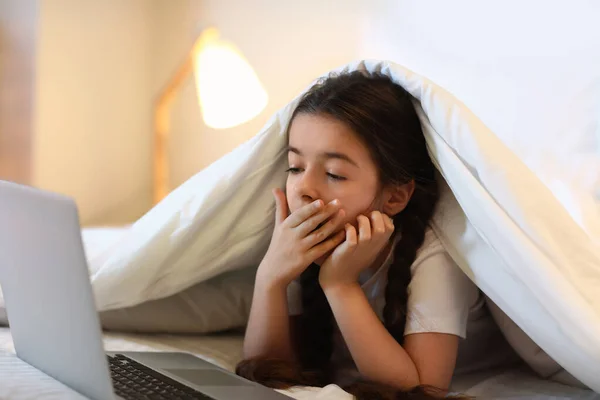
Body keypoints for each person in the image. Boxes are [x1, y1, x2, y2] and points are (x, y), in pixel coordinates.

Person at [235, 71, 506, 399]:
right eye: (295, 167)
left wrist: (340, 285)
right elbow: (265, 370)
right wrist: (270, 277)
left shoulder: (433, 253)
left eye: (334, 173)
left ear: (394, 197)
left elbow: (421, 388)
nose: (303, 188)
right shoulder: (297, 241)